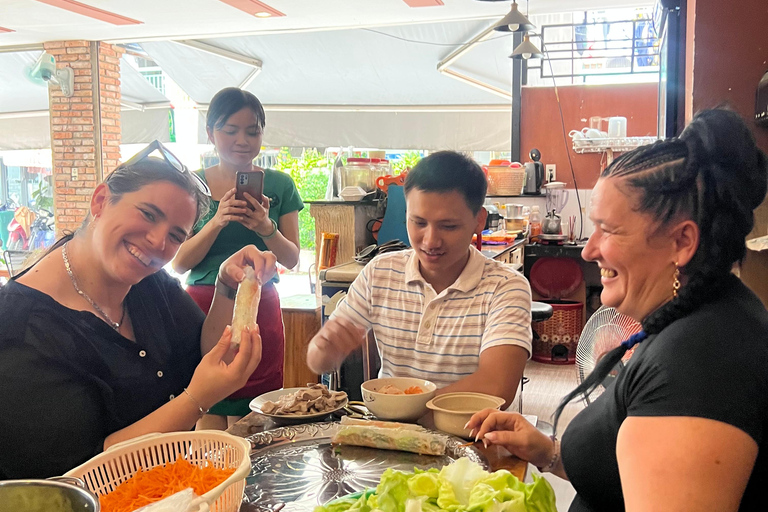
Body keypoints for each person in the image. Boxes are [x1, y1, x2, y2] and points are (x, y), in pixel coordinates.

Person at [467, 109, 768, 511]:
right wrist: (547, 453)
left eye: (607, 229)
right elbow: (628, 477)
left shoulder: (700, 363)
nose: (589, 251)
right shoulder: (698, 321)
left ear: (681, 242)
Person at [0, 141, 277, 479]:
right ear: (101, 201)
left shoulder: (150, 285)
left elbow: (206, 349)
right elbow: (78, 473)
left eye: (176, 235)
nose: (159, 243)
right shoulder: (19, 328)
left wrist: (226, 287)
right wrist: (198, 399)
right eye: (148, 214)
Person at [306, 151, 531, 407]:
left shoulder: (505, 287)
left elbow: (497, 385)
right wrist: (325, 349)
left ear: (479, 220)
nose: (430, 241)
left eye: (448, 226)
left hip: (469, 436)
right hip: (388, 433)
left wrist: (405, 406)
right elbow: (319, 362)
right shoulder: (380, 272)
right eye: (419, 222)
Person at [173, 88, 303, 429]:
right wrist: (217, 221)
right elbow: (179, 262)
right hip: (203, 308)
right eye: (230, 130)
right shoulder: (191, 185)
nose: (242, 140)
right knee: (207, 404)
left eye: (253, 130)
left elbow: (291, 258)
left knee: (259, 411)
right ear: (210, 133)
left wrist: (265, 226)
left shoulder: (280, 184)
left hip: (262, 304)